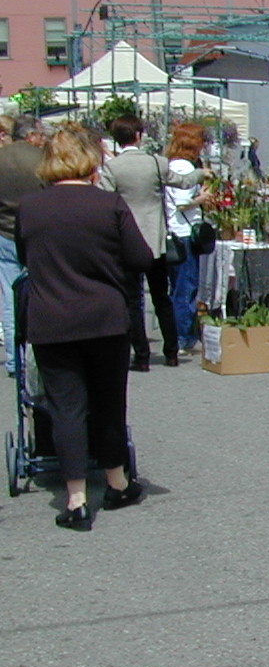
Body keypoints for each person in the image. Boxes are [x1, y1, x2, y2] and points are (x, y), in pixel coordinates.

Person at [15, 126, 153, 530]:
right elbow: (141, 257)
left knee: (66, 408)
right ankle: (116, 482)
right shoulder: (108, 205)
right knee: (108, 403)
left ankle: (76, 499)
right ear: (91, 159)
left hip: (51, 317)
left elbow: (26, 257)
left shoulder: (31, 207)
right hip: (103, 317)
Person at [100, 115, 201, 369]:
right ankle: (171, 351)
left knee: (133, 300)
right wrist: (201, 172)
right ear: (139, 136)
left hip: (127, 239)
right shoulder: (157, 163)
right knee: (161, 297)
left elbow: (102, 197)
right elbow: (184, 181)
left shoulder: (114, 168)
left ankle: (142, 355)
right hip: (155, 239)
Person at [0, 115, 47, 376]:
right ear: (31, 136)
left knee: (9, 298)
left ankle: (13, 360)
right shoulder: (41, 160)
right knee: (39, 294)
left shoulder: (2, 157)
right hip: (36, 231)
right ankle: (35, 356)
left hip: (4, 232)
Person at [163, 123, 209, 355]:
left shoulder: (172, 164)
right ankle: (183, 337)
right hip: (183, 233)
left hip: (176, 232)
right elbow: (182, 202)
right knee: (185, 287)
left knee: (180, 287)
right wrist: (202, 198)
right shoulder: (182, 167)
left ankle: (181, 335)